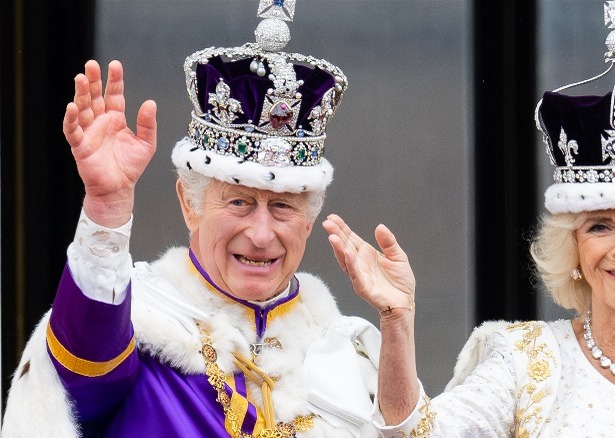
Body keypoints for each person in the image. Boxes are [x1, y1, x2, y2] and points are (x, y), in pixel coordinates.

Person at [323, 2, 615, 436]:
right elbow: (415, 436)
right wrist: (397, 318)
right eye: (599, 226)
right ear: (574, 249)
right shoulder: (523, 360)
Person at [1, 2, 381, 437]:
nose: (260, 235)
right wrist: (107, 211)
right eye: (239, 202)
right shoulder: (140, 326)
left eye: (282, 206)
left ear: (308, 221)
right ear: (189, 203)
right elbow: (83, 365)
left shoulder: (347, 355)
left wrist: (399, 318)